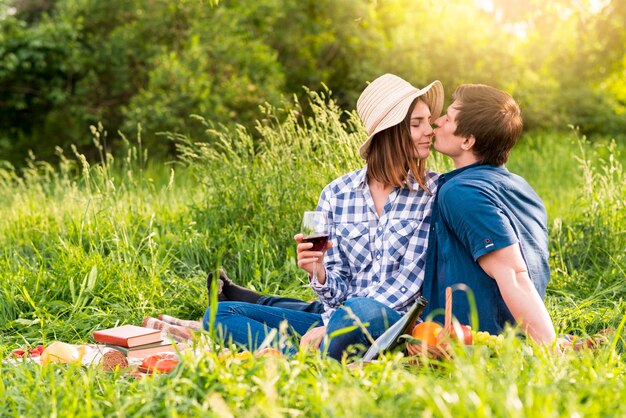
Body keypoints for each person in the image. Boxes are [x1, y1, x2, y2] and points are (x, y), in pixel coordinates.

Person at [203, 73, 444, 360]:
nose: (430, 130)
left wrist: (329, 326)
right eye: (417, 124)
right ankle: (298, 360)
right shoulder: (337, 194)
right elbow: (336, 293)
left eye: (428, 121)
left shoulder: (432, 193)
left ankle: (308, 359)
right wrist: (319, 272)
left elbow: (405, 286)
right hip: (335, 319)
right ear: (390, 132)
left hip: (388, 324)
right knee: (219, 314)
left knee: (361, 309)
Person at [419, 83, 556, 345]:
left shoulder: (462, 192)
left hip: (476, 340)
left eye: (448, 118)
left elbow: (515, 274)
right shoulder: (521, 187)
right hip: (512, 333)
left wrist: (550, 351)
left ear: (468, 140)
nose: (437, 121)